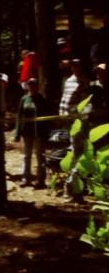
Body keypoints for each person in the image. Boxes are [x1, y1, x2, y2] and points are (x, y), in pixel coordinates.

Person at [59, 59, 88, 199]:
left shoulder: (84, 82)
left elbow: (84, 103)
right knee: (74, 150)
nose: (75, 68)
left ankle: (73, 186)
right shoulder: (68, 80)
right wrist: (62, 114)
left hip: (79, 121)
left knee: (78, 151)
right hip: (69, 120)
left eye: (77, 65)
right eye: (73, 65)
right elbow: (64, 99)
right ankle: (72, 186)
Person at [14, 78, 50, 188]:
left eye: (34, 84)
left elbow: (46, 117)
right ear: (27, 86)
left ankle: (41, 180)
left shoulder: (42, 99)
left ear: (37, 86)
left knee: (40, 156)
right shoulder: (24, 99)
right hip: (27, 132)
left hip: (39, 132)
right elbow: (19, 116)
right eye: (30, 84)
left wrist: (46, 133)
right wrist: (17, 133)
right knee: (26, 156)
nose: (32, 86)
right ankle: (26, 178)